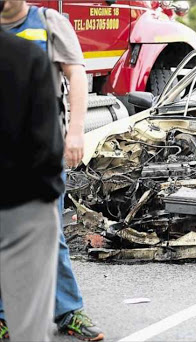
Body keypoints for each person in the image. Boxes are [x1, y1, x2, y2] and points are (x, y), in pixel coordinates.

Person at [0, 1, 104, 340]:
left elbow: (75, 75)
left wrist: (75, 133)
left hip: (39, 152)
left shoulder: (47, 22)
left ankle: (69, 310)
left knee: (49, 235)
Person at [0, 1, 62, 340]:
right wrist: (46, 196)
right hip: (21, 206)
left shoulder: (50, 22)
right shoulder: (24, 57)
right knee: (28, 325)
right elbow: (47, 146)